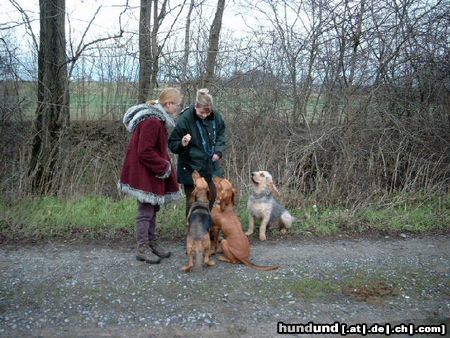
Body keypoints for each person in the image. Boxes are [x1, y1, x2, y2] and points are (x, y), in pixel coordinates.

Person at [118, 88, 183, 264]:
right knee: (146, 210)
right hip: (145, 172)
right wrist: (163, 166)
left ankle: (151, 243)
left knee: (153, 208)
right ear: (168, 104)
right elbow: (144, 151)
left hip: (151, 172)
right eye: (177, 104)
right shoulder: (153, 122)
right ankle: (142, 247)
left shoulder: (158, 120)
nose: (178, 108)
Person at [168, 88, 227, 216]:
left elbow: (222, 134)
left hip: (210, 165)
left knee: (213, 194)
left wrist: (218, 151)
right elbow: (172, 143)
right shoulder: (185, 119)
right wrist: (182, 143)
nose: (204, 115)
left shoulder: (216, 116)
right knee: (192, 201)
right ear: (196, 106)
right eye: (201, 112)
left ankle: (207, 227)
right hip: (190, 167)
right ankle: (192, 231)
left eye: (207, 113)